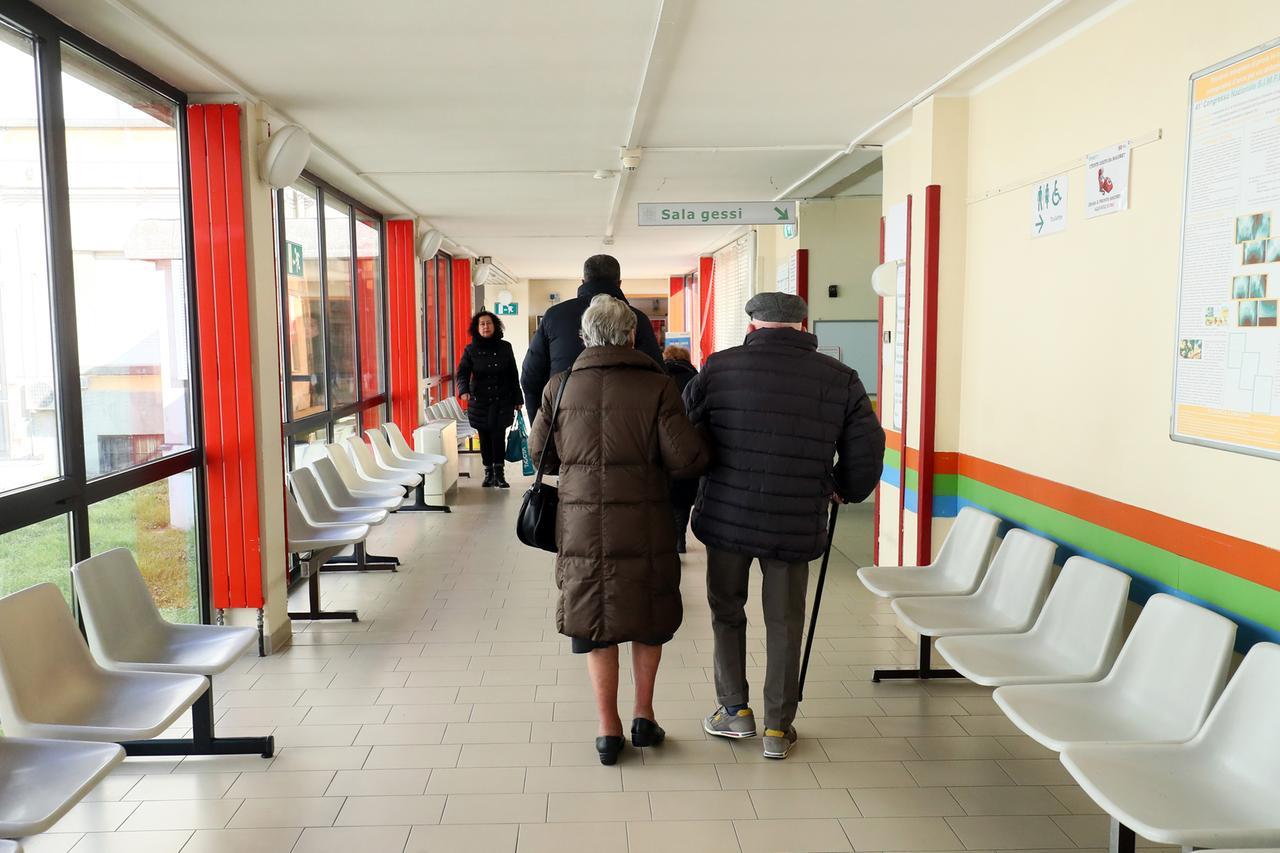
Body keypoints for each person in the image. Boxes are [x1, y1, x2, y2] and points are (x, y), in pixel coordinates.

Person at [683, 292, 884, 760]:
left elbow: (686, 432)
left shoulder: (718, 368)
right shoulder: (840, 377)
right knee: (785, 620)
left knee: (727, 609)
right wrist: (845, 489)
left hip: (727, 514)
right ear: (803, 325)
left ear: (751, 326)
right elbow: (867, 446)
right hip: (795, 520)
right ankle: (778, 728)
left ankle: (734, 710)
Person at [529, 295, 709, 766]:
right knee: (647, 614)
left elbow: (540, 457)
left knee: (594, 620)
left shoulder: (559, 385)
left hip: (581, 525)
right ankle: (643, 716)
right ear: (631, 335)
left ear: (584, 337)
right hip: (645, 520)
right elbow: (686, 458)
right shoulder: (658, 386)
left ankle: (608, 731)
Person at [521, 254, 663, 419]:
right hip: (626, 422)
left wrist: (543, 427)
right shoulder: (636, 318)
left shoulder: (554, 316)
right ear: (619, 283)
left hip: (565, 422)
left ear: (583, 282)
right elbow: (657, 375)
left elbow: (530, 378)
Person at [455, 310, 522, 488]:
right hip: (480, 401)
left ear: (495, 326)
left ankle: (499, 474)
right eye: (482, 324)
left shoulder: (505, 347)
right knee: (484, 436)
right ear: (477, 328)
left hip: (502, 399)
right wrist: (463, 390)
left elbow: (513, 374)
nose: (486, 326)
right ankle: (488, 473)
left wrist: (518, 398)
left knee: (499, 435)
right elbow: (462, 373)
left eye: (489, 323)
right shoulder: (470, 350)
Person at [662, 345, 699, 554]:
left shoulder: (659, 377)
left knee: (667, 495)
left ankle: (668, 537)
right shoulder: (696, 378)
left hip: (665, 444)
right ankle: (680, 538)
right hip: (688, 445)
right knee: (684, 498)